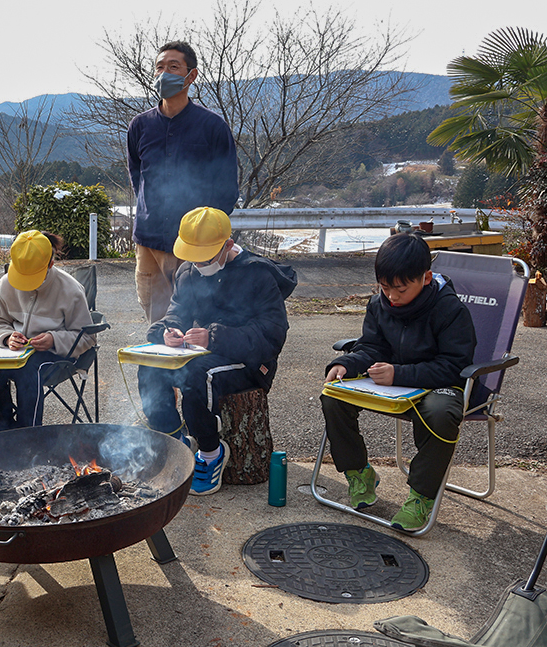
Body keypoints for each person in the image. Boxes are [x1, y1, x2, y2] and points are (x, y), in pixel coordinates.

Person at [319, 232, 476, 532]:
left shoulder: (450, 310)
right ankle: (359, 473)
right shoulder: (379, 304)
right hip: (394, 384)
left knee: (441, 414)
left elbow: (455, 366)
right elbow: (371, 347)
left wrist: (399, 374)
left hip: (439, 384)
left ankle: (420, 497)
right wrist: (345, 363)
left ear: (426, 278)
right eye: (385, 287)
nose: (392, 297)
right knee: (333, 395)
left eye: (400, 289)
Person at [138, 208, 297, 495]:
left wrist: (214, 338)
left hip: (250, 363)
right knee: (151, 367)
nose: (199, 264)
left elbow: (272, 336)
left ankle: (211, 452)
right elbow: (177, 312)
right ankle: (173, 442)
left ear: (227, 244)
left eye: (206, 257)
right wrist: (167, 331)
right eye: (193, 257)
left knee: (197, 375)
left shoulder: (257, 274)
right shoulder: (188, 270)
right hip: (204, 353)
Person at [127, 41, 239, 323]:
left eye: (173, 67)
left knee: (196, 318)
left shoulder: (212, 127)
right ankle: (159, 367)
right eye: (159, 67)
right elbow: (137, 177)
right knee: (157, 319)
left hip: (194, 243)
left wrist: (208, 236)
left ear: (191, 76)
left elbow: (226, 189)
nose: (164, 74)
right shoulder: (140, 126)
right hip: (149, 240)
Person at [0, 230, 96, 432]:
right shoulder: (5, 284)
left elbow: (86, 336)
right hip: (13, 354)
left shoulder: (71, 290)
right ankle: (2, 437)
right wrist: (7, 337)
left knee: (29, 370)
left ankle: (29, 437)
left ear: (51, 264)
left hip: (57, 356)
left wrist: (54, 339)